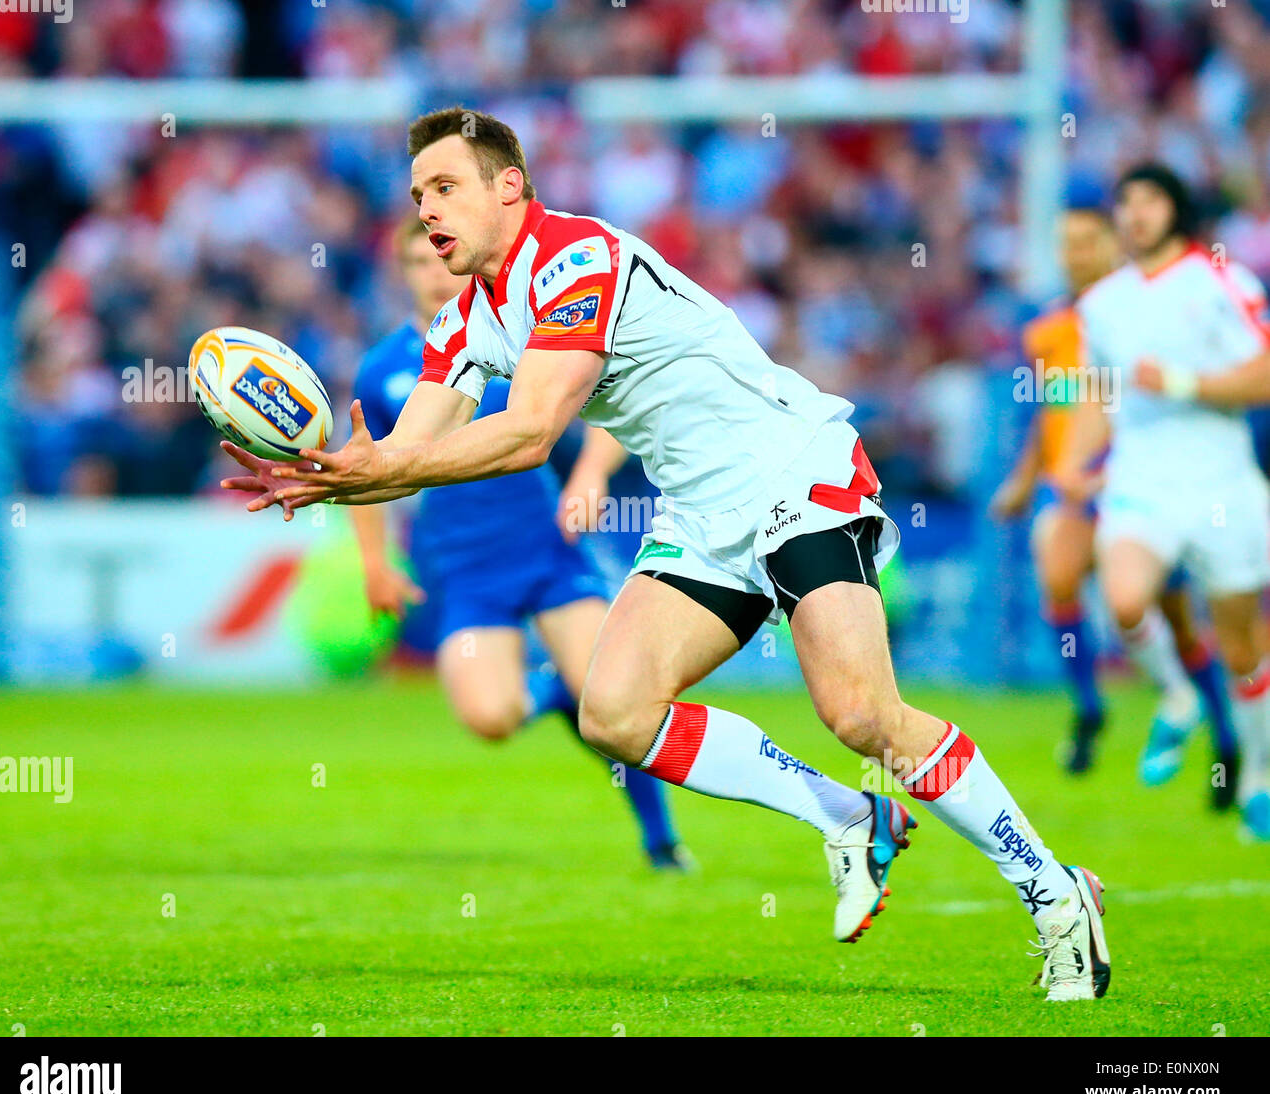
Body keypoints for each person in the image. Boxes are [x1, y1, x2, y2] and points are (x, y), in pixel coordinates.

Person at [223, 107, 1110, 1001]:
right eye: (419, 196)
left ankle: (1056, 892)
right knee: (612, 712)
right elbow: (411, 454)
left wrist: (382, 465)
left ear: (509, 187)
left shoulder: (577, 260)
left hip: (793, 475)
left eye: (446, 188)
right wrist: (326, 477)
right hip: (700, 513)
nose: (428, 212)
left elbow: (530, 433)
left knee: (863, 717)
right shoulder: (462, 323)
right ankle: (845, 813)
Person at [350, 217, 689, 870]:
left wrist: (589, 473)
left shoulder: (516, 335)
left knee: (617, 700)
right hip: (462, 566)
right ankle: (551, 692)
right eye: (416, 261)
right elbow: (368, 470)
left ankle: (661, 842)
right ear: (403, 273)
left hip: (546, 548)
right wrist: (374, 562)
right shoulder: (384, 369)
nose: (432, 271)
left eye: (438, 256)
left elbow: (609, 406)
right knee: (491, 717)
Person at [992, 209, 1240, 787]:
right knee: (1057, 571)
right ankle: (1088, 707)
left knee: (1175, 621)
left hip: (1137, 486)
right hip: (1076, 490)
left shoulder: (1140, 318)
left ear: (1114, 244)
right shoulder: (1047, 332)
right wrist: (1026, 481)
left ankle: (1225, 738)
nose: (1076, 254)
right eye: (1067, 243)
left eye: (1088, 241)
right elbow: (1049, 414)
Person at [1061, 163, 1270, 840]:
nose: (1137, 213)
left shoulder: (1221, 282)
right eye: (1126, 202)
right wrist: (1070, 459)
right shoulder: (1101, 303)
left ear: (1175, 209)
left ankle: (1260, 778)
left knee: (1242, 646)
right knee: (1124, 600)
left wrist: (1181, 381)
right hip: (1141, 480)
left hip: (1221, 480)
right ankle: (1178, 697)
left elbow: (1264, 375)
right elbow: (1100, 392)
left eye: (1151, 199)